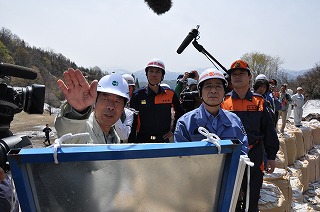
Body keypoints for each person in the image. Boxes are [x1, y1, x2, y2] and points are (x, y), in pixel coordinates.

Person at [221, 59, 279, 211]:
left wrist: (271, 156)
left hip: (254, 154)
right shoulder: (223, 102)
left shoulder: (259, 102)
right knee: (230, 195)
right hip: (230, 155)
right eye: (234, 74)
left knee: (252, 195)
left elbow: (269, 131)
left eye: (242, 73)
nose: (237, 77)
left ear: (250, 77)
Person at [174, 68, 249, 155]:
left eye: (218, 86)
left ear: (224, 92)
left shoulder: (235, 121)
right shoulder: (185, 123)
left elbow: (243, 151)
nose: (213, 91)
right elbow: (180, 157)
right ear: (200, 92)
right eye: (208, 86)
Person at [55, 68, 129, 144]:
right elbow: (68, 130)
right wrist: (77, 111)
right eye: (106, 99)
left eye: (117, 101)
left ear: (123, 108)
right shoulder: (82, 129)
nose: (111, 106)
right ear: (95, 102)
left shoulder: (115, 137)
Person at [128, 58, 183, 143]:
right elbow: (133, 121)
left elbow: (180, 113)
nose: (154, 74)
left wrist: (173, 130)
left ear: (162, 75)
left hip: (163, 140)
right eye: (151, 71)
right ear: (147, 74)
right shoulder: (138, 95)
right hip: (142, 140)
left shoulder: (170, 94)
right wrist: (132, 142)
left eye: (157, 72)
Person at [114, 74, 136, 143]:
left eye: (129, 88)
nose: (127, 91)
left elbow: (124, 136)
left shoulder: (129, 112)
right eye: (124, 87)